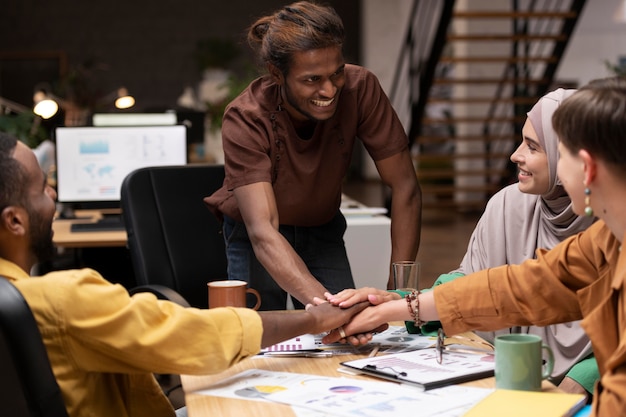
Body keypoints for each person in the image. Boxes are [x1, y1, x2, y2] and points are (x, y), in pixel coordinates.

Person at [0, 131, 369, 416]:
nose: (52, 192)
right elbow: (201, 334)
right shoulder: (64, 299)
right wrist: (314, 317)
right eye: (41, 187)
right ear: (15, 220)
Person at [323, 76, 626, 416]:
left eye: (561, 153)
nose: (515, 156)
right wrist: (393, 308)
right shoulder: (604, 240)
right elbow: (520, 287)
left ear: (588, 167)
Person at [204, 1, 422, 310]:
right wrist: (330, 309)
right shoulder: (246, 116)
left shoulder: (360, 89)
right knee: (263, 339)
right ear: (276, 74)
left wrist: (400, 291)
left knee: (343, 338)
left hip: (322, 228)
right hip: (259, 237)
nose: (330, 90)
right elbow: (264, 229)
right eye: (312, 80)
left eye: (337, 73)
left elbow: (405, 188)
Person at [427, 88, 597, 397]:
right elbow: (489, 284)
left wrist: (587, 374)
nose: (515, 155)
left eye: (533, 146)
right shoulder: (508, 204)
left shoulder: (607, 226)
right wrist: (402, 304)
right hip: (508, 375)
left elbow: (522, 289)